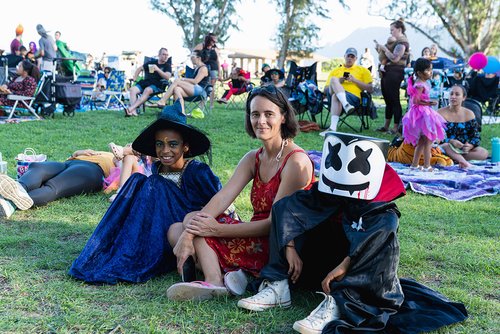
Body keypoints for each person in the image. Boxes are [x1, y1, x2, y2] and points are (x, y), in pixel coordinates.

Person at [236, 132, 468, 333]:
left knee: (383, 229)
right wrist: (289, 246)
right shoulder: (324, 193)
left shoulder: (382, 212)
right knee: (286, 205)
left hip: (354, 271)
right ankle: (278, 286)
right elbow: (285, 210)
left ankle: (342, 303)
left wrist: (346, 264)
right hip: (313, 267)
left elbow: (376, 239)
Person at [166, 85, 315, 301]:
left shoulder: (295, 161)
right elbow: (222, 198)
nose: (260, 121)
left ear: (283, 117)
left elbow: (275, 224)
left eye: (268, 114)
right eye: (255, 114)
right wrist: (189, 233)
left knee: (194, 226)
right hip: (252, 235)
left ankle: (215, 280)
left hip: (277, 243)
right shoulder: (254, 157)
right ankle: (235, 276)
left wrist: (215, 230)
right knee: (177, 229)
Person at [68, 109, 221, 283]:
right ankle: (120, 246)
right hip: (159, 229)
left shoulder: (197, 171)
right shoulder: (157, 168)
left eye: (172, 144)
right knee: (137, 180)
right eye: (159, 144)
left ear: (185, 146)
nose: (165, 150)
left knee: (153, 183)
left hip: (189, 228)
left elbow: (219, 204)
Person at [0, 148, 115, 219]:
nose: (128, 146)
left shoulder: (126, 159)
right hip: (69, 163)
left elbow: (126, 179)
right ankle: (18, 187)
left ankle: (10, 204)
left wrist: (123, 158)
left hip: (92, 171)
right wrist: (80, 152)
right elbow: (74, 154)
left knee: (54, 185)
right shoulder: (104, 152)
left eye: (131, 146)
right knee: (38, 167)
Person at [402, 57, 447, 172]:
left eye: (431, 70)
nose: (431, 72)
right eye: (428, 70)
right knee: (428, 140)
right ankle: (427, 166)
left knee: (422, 141)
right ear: (419, 73)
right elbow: (416, 101)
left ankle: (415, 164)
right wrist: (429, 102)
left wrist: (427, 103)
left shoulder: (423, 82)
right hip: (421, 114)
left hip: (423, 112)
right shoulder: (420, 85)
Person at [323, 47, 373, 132]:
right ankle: (345, 104)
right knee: (334, 79)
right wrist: (339, 81)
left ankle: (333, 128)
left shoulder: (363, 70)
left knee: (336, 96)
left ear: (356, 58)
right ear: (344, 56)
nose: (350, 58)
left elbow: (370, 89)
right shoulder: (336, 70)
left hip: (353, 97)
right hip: (334, 95)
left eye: (352, 56)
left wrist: (354, 80)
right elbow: (325, 90)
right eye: (348, 56)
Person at [438, 84, 489, 168]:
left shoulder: (469, 114)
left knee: (483, 152)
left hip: (463, 149)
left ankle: (454, 158)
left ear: (464, 97)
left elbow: (476, 137)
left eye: (457, 94)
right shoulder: (439, 113)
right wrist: (451, 141)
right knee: (445, 147)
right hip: (445, 147)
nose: (453, 97)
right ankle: (463, 162)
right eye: (451, 94)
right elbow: (436, 137)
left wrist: (470, 146)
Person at [375, 19, 410, 135]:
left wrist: (384, 49)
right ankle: (386, 125)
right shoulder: (395, 42)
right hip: (387, 71)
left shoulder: (402, 43)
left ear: (399, 29)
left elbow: (395, 58)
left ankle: (395, 127)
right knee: (387, 99)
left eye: (392, 30)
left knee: (394, 99)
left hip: (395, 72)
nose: (391, 33)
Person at [156, 50, 209, 115]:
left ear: (199, 58)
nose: (191, 58)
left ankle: (163, 100)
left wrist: (183, 79)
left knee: (177, 81)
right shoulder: (196, 68)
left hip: (201, 91)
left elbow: (195, 81)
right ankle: (181, 113)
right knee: (176, 89)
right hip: (194, 89)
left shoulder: (203, 68)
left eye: (192, 56)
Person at [126, 47, 172, 116]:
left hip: (158, 84)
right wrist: (135, 77)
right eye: (164, 54)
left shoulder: (167, 65)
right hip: (146, 82)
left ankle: (131, 108)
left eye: (167, 55)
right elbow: (139, 68)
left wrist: (158, 69)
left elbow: (167, 77)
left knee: (147, 90)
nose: (166, 56)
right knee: (132, 90)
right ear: (159, 55)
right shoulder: (151, 63)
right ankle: (134, 112)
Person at [194, 33, 220, 109]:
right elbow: (194, 55)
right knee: (203, 85)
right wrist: (198, 64)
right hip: (204, 69)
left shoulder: (215, 49)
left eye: (215, 41)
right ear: (208, 39)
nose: (214, 42)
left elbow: (218, 61)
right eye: (213, 40)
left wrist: (220, 73)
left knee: (211, 87)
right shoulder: (201, 46)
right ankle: (201, 102)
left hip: (213, 69)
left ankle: (211, 104)